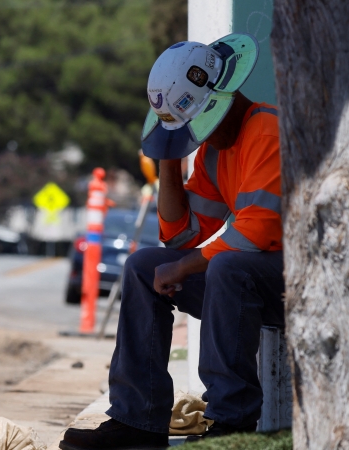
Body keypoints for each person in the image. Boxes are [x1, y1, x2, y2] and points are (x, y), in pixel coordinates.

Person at [60, 33, 284, 450]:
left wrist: (185, 266)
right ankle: (136, 422)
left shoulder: (266, 130)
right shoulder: (213, 151)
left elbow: (258, 231)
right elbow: (179, 233)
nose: (197, 134)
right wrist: (168, 153)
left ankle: (231, 425)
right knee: (143, 267)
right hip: (257, 279)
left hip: (299, 283)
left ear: (222, 97)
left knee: (227, 266)